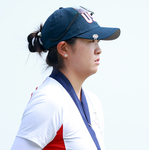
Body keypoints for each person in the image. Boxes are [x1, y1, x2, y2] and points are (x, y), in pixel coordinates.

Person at [10, 6, 120, 150]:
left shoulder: (94, 102)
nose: (99, 50)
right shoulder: (49, 102)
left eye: (98, 41)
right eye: (90, 41)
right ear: (64, 49)